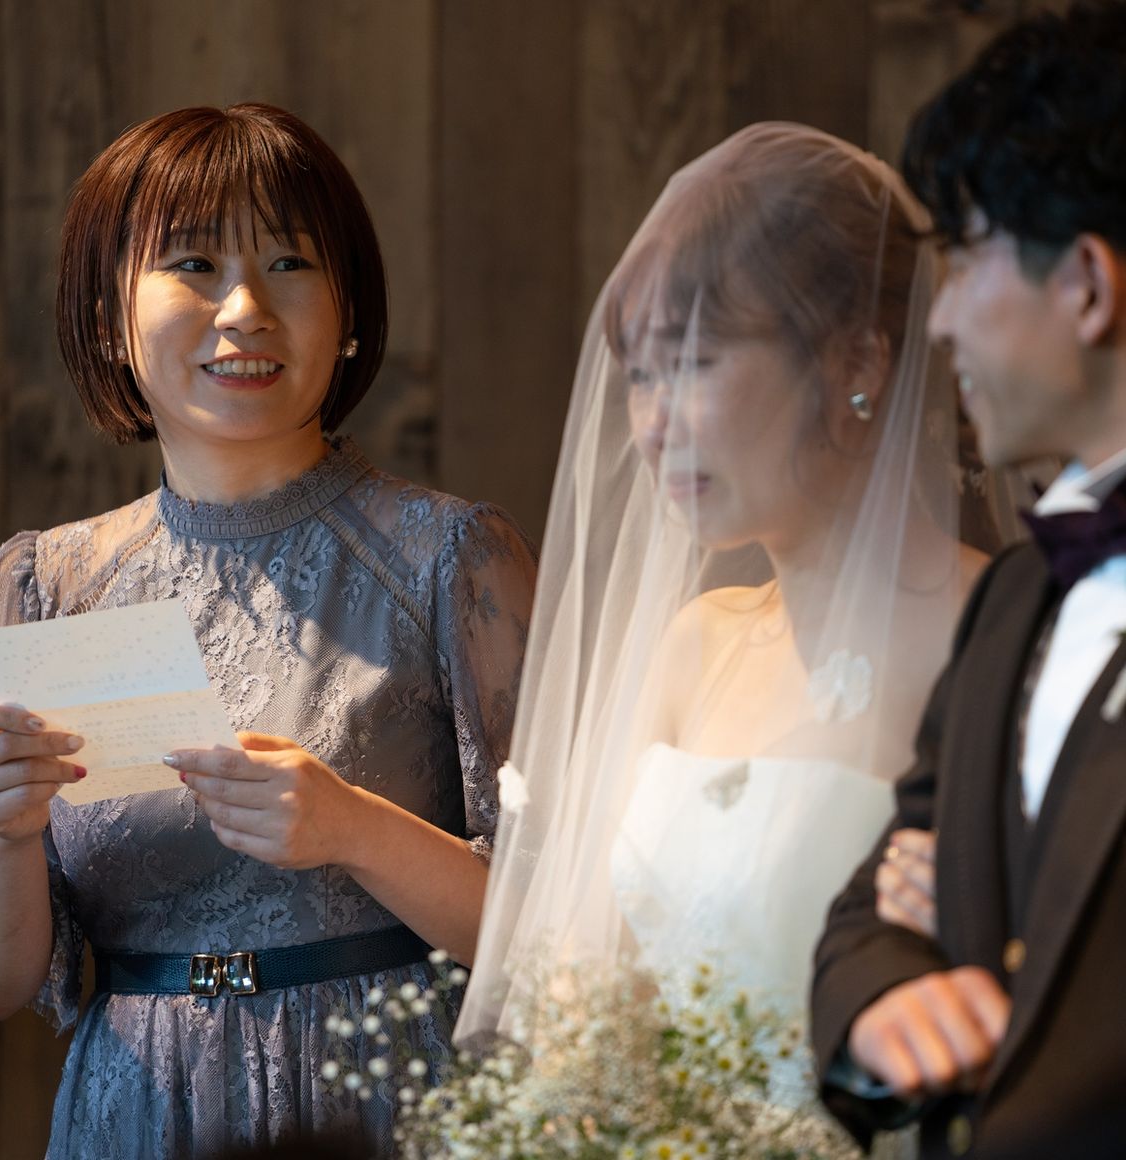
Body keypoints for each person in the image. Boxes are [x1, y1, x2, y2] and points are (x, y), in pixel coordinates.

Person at [0, 104, 536, 1158]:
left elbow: (553, 935)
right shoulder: (48, 585)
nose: (244, 309)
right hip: (134, 1113)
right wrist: (4, 832)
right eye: (192, 264)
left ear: (348, 310)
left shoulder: (451, 558)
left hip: (380, 1106)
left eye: (289, 263)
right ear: (108, 318)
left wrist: (355, 828)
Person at [454, 122, 1005, 1150]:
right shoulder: (694, 643)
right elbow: (589, 991)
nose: (652, 422)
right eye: (640, 374)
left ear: (857, 364)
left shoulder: (995, 637)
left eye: (695, 362)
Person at [810, 5, 1126, 1157]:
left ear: (1084, 284)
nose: (936, 319)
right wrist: (886, 992)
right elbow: (872, 898)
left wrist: (972, 897)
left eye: (962, 256)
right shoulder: (1017, 590)